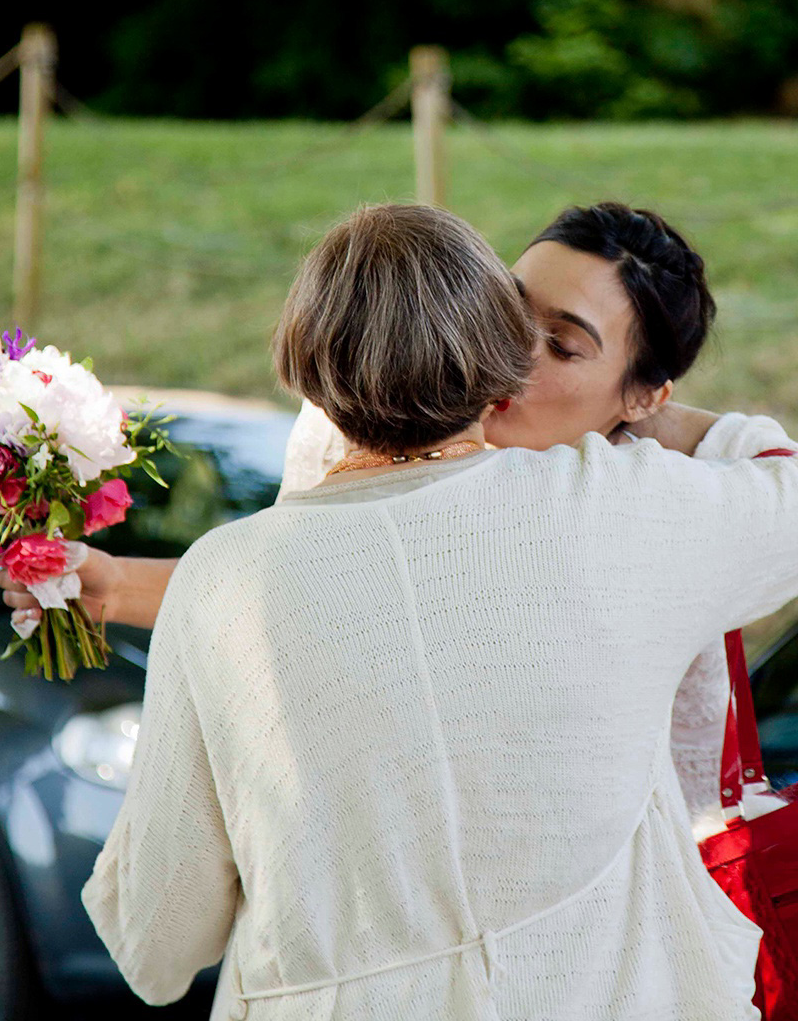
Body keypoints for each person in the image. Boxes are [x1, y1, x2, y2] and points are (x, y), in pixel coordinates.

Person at [80, 203, 798, 1020]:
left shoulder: (230, 573)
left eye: (562, 345)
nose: (516, 353)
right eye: (503, 312)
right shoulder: (633, 508)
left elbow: (156, 942)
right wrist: (646, 417)